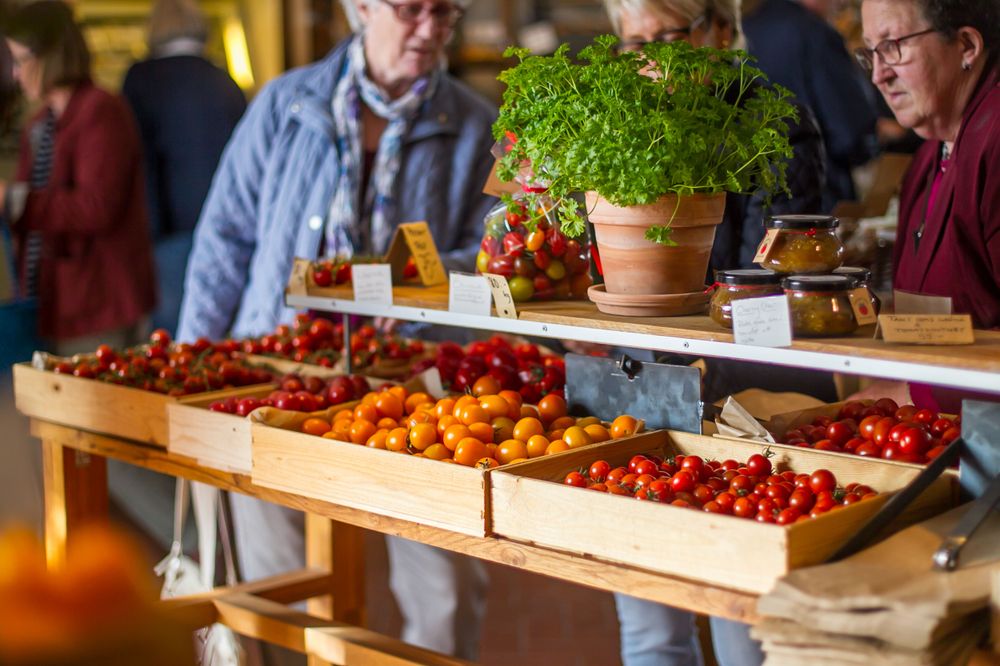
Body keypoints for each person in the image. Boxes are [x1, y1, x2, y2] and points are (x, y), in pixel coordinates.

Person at [175, 0, 497, 662]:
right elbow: (224, 240)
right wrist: (191, 366)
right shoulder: (285, 104)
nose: (431, 28)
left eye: (447, 12)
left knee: (446, 586)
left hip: (416, 392)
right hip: (279, 377)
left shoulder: (472, 123)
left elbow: (492, 253)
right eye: (412, 9)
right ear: (361, 7)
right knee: (273, 584)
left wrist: (417, 285)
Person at [604, 1, 830, 665]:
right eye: (634, 43)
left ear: (722, 32)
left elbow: (778, 266)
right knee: (650, 629)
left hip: (747, 405)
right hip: (646, 395)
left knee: (745, 626)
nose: (652, 59)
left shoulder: (771, 119)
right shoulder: (619, 129)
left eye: (670, 37)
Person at [850, 0, 998, 413]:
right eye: (870, 53)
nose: (879, 75)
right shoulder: (930, 155)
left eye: (894, 46)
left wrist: (915, 397)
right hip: (934, 430)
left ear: (967, 45)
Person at [0, 0, 156, 353]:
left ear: (50, 56)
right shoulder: (39, 124)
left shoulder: (101, 111)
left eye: (21, 60)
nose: (15, 74)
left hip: (98, 302)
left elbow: (96, 207)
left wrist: (13, 200)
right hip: (52, 303)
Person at [122, 0, 246, 335]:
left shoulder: (140, 80)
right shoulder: (225, 80)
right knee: (219, 331)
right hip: (228, 225)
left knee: (176, 342)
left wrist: (146, 232)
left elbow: (138, 163)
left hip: (169, 229)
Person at [742, 0, 880, 210]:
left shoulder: (744, 28)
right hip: (816, 202)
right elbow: (850, 135)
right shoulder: (815, 33)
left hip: (753, 205)